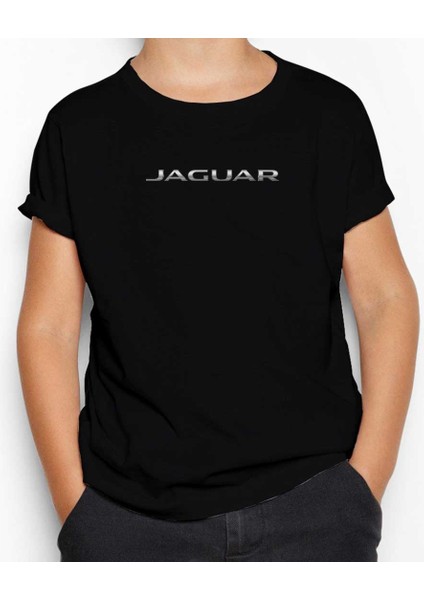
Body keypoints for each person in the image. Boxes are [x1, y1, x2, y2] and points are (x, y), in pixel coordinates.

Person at [17, 39, 419, 562]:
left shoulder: (327, 112)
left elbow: (385, 298)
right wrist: (78, 508)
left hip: (316, 504)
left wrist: (362, 486)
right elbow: (49, 326)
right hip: (125, 515)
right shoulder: (80, 124)